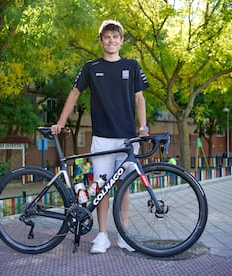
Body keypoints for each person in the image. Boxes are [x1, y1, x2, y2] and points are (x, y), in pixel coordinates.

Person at [51, 20, 149, 254]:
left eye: (116, 37)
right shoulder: (91, 67)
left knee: (124, 189)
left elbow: (140, 99)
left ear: (122, 41)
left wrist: (143, 127)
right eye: (107, 37)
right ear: (101, 41)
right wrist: (61, 123)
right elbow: (74, 93)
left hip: (127, 139)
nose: (111, 40)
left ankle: (124, 236)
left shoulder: (132, 66)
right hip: (102, 138)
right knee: (102, 188)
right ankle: (102, 236)